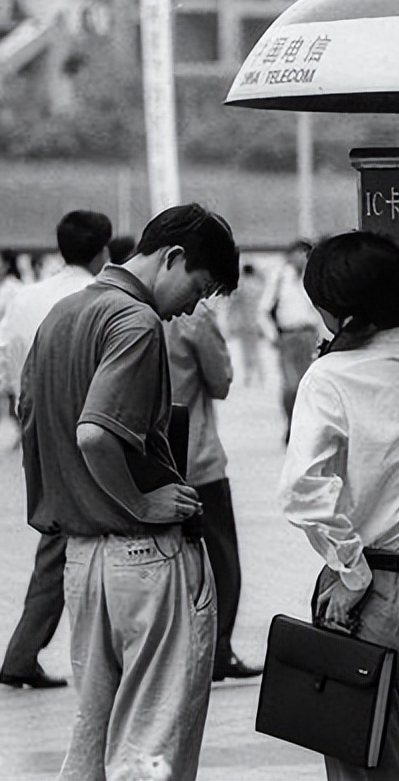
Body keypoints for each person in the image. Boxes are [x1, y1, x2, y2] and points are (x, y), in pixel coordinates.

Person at [20, 203, 239, 780]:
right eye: (202, 286)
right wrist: (139, 501)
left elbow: (33, 422)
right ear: (173, 258)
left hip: (81, 557)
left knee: (93, 738)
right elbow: (95, 433)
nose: (194, 305)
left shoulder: (61, 315)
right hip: (143, 556)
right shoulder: (135, 322)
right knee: (149, 747)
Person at [278, 231, 399, 780]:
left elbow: (302, 491)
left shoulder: (331, 377)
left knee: (361, 763)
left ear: (330, 312)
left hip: (361, 598)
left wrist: (351, 573)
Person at [0, 211, 113, 690]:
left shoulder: (26, 296)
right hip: (83, 420)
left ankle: (26, 654)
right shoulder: (99, 297)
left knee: (58, 533)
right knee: (82, 536)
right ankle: (41, 655)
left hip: (36, 424)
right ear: (103, 251)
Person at [164, 301, 262, 681]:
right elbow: (220, 380)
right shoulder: (193, 315)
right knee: (220, 559)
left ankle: (171, 654)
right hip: (197, 458)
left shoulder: (122, 309)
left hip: (146, 462)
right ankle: (217, 649)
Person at [260, 240, 323, 441]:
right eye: (298, 254)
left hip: (309, 335)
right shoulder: (279, 277)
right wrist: (272, 335)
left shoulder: (314, 277)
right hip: (288, 336)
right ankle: (290, 422)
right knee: (291, 385)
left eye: (305, 254)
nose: (301, 259)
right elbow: (262, 310)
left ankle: (305, 427)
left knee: (310, 385)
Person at [228, 263, 267, 386]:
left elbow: (232, 304)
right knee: (256, 349)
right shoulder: (258, 286)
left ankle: (249, 375)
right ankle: (261, 375)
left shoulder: (242, 286)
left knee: (246, 351)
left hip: (245, 322)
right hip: (257, 322)